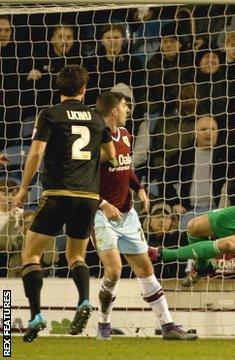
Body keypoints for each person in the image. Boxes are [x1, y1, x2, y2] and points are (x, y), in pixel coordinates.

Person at [14, 65, 115, 342]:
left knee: (30, 256)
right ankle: (83, 300)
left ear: (58, 88)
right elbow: (111, 154)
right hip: (88, 197)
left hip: (58, 193)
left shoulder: (51, 114)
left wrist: (23, 188)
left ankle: (36, 315)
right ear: (84, 89)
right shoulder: (96, 118)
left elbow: (36, 153)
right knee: (76, 256)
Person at [92, 92, 197, 341]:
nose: (129, 110)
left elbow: (126, 167)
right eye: (125, 106)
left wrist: (138, 187)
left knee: (145, 268)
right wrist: (103, 203)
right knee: (114, 270)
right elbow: (80, 182)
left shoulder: (126, 135)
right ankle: (103, 324)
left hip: (126, 214)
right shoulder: (94, 140)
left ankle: (167, 325)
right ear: (114, 110)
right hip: (100, 215)